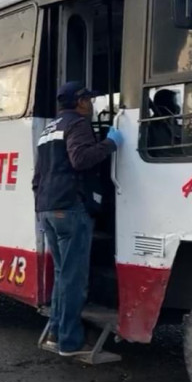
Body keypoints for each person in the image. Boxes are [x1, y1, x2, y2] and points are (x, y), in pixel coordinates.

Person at [32, 81, 122, 356]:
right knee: (73, 279)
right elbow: (81, 159)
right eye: (89, 100)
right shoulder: (78, 124)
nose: (93, 104)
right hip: (70, 209)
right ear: (80, 102)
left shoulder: (48, 129)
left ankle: (57, 333)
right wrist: (110, 143)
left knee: (62, 275)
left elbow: (38, 175)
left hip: (47, 209)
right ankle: (70, 342)